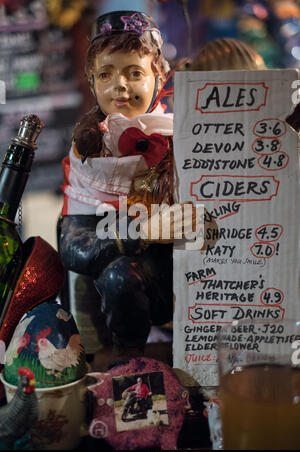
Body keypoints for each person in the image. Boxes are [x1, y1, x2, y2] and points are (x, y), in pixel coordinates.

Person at [57, 10, 210, 366]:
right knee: (118, 274)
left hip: (202, 281)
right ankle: (130, 365)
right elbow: (75, 245)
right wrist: (141, 230)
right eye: (106, 75)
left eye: (134, 73)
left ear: (160, 76)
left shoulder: (188, 135)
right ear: (91, 81)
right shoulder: (88, 156)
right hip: (133, 292)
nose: (119, 85)